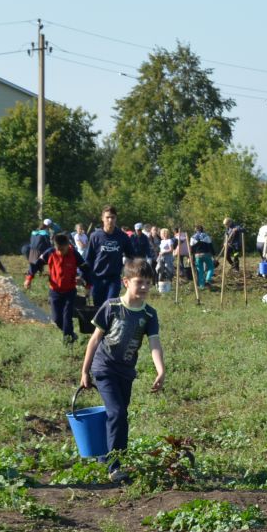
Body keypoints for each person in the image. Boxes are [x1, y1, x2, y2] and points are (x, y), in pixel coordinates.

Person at [79, 257, 165, 484]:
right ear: (126, 282)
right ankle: (113, 467)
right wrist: (85, 371)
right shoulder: (112, 306)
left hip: (126, 372)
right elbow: (94, 340)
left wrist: (161, 370)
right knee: (117, 413)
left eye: (148, 282)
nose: (145, 287)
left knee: (120, 416)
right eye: (140, 282)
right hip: (104, 367)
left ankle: (106, 455)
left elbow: (154, 343)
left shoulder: (149, 314)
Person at [25, 231, 82, 342]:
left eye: (63, 250)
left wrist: (86, 282)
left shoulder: (74, 253)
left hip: (70, 291)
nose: (60, 252)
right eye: (58, 250)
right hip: (55, 291)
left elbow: (85, 268)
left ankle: (68, 342)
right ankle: (72, 335)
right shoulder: (50, 253)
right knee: (56, 319)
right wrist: (29, 278)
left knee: (67, 318)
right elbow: (36, 265)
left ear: (68, 245)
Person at [82, 206, 132, 310]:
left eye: (112, 217)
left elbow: (132, 255)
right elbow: (89, 258)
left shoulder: (122, 236)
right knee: (98, 308)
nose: (110, 220)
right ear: (102, 218)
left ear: (116, 218)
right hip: (97, 278)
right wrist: (84, 277)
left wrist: (133, 272)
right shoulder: (95, 236)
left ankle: (110, 325)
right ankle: (99, 326)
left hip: (114, 278)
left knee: (111, 305)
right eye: (107, 217)